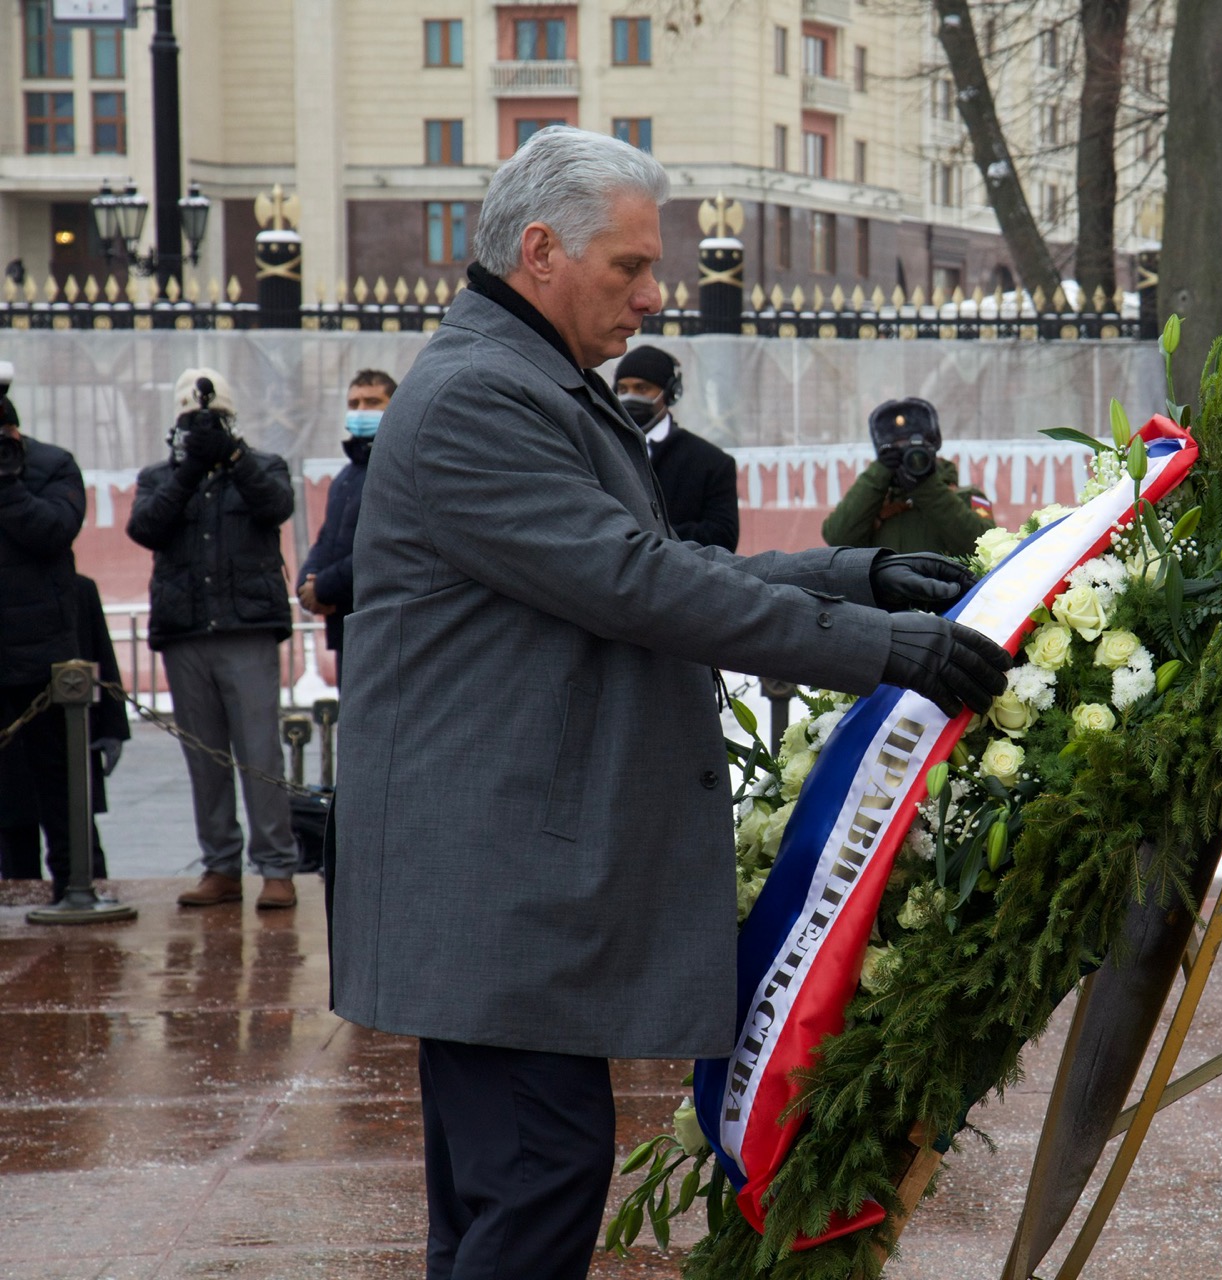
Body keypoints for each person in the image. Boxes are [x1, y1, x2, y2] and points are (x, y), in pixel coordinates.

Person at [328, 126, 1009, 1280]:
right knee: (535, 1191)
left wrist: (857, 573)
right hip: (503, 888)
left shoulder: (527, 380)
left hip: (506, 890)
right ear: (540, 250)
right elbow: (638, 583)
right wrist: (883, 645)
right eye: (629, 267)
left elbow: (646, 562)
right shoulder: (482, 397)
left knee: (506, 1199)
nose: (653, 296)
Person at [127, 368, 301, 911]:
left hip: (246, 628)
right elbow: (146, 528)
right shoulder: (160, 476)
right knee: (204, 759)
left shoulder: (263, 466)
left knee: (260, 753)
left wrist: (233, 457)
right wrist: (190, 470)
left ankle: (276, 867)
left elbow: (276, 506)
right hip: (185, 631)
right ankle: (220, 866)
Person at [0, 362, 91, 895]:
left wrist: (9, 488)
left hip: (43, 657)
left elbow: (54, 532)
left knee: (59, 785)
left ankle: (73, 885)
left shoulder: (54, 466)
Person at [0, 575, 129, 897]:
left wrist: (113, 728)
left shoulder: (78, 588)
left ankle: (86, 893)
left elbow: (100, 653)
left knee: (80, 834)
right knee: (17, 846)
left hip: (71, 729)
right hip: (11, 733)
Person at [298, 368, 394, 684]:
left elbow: (383, 547)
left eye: (372, 402)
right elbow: (327, 538)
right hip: (345, 625)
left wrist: (324, 586)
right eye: (354, 404)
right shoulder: (345, 478)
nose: (361, 411)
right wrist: (307, 583)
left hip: (383, 626)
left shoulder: (399, 467)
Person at [821, 397, 995, 557]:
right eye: (897, 449)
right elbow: (836, 537)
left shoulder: (970, 497)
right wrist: (879, 472)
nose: (907, 456)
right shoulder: (872, 505)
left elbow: (985, 549)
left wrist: (928, 487)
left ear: (932, 449)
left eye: (914, 448)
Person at [612, 344, 739, 550]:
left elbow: (722, 537)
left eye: (642, 388)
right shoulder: (602, 446)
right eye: (623, 389)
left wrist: (646, 534)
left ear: (670, 393)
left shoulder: (712, 462)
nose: (630, 396)